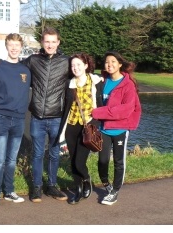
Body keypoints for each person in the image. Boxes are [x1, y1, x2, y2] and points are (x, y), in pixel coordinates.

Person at [0, 27, 70, 203]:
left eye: (53, 41)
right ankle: (36, 187)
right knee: (38, 154)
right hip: (37, 117)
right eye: (46, 41)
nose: (49, 45)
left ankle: (52, 185)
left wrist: (96, 78)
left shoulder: (66, 62)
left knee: (55, 154)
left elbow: (80, 73)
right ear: (42, 42)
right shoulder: (33, 61)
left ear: (58, 42)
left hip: (56, 116)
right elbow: (14, 66)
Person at [0, 33, 32, 207]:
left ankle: (9, 191)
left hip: (18, 120)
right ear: (6, 46)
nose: (14, 48)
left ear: (21, 47)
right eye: (11, 45)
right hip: (0, 118)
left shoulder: (26, 70)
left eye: (17, 45)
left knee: (12, 160)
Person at [91, 51, 142, 206]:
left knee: (119, 161)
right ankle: (106, 184)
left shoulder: (128, 85)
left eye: (113, 62)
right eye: (107, 62)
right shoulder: (102, 81)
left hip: (120, 128)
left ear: (120, 64)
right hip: (104, 128)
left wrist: (96, 113)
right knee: (103, 160)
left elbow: (124, 110)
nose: (110, 64)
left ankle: (115, 191)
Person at [59, 53, 103, 205]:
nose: (75, 68)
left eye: (78, 64)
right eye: (73, 65)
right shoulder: (69, 84)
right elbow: (66, 107)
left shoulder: (96, 81)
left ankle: (86, 179)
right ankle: (77, 189)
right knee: (72, 160)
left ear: (85, 65)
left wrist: (97, 122)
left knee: (79, 161)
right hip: (71, 125)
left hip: (88, 126)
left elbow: (102, 103)